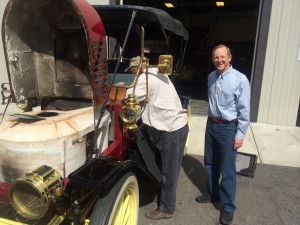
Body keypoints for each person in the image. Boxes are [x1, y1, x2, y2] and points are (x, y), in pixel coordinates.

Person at [127, 56, 189, 220]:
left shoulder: (144, 78)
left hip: (170, 129)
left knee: (169, 170)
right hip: (179, 126)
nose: (133, 74)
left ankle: (167, 208)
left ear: (138, 68)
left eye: (133, 71)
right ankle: (163, 194)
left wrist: (124, 89)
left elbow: (129, 97)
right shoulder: (158, 73)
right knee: (170, 167)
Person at [195, 45, 250, 225]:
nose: (219, 60)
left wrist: (240, 134)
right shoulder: (211, 76)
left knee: (227, 169)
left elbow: (244, 111)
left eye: (222, 57)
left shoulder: (240, 80)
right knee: (210, 162)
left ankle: (227, 207)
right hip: (211, 124)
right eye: (216, 57)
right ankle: (213, 194)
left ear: (229, 58)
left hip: (228, 128)